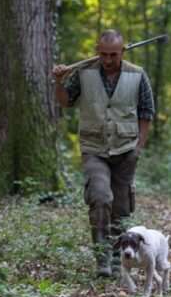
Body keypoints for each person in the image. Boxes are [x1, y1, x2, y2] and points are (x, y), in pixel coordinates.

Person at [52, 29, 155, 278]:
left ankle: (120, 260)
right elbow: (65, 101)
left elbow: (146, 112)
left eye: (113, 55)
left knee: (121, 207)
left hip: (126, 150)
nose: (108, 59)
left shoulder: (137, 75)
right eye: (104, 54)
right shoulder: (83, 73)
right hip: (94, 149)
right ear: (97, 51)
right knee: (99, 198)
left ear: (123, 51)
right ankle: (102, 259)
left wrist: (138, 148)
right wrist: (59, 81)